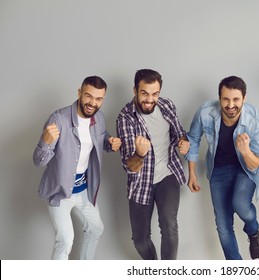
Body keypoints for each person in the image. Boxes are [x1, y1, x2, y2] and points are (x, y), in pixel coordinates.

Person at [33, 76, 122, 260]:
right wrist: (45, 142)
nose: (92, 103)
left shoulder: (99, 117)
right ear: (79, 93)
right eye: (88, 96)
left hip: (83, 190)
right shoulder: (58, 119)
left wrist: (109, 143)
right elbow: (38, 161)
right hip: (60, 191)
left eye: (98, 99)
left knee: (96, 228)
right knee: (65, 240)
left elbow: (100, 138)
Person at [186, 75, 259, 260]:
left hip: (245, 169)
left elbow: (258, 164)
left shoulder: (257, 120)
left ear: (244, 98)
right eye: (226, 99)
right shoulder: (206, 111)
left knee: (240, 204)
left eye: (236, 99)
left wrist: (246, 152)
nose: (231, 105)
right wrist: (191, 173)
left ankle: (252, 230)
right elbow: (193, 139)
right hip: (218, 170)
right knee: (223, 226)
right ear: (219, 98)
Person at [116, 69, 190, 260]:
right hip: (141, 182)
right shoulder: (126, 118)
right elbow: (129, 165)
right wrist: (140, 154)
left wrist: (183, 142)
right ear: (135, 90)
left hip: (168, 175)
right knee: (140, 240)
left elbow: (179, 132)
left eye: (154, 94)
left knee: (169, 224)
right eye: (144, 93)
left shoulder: (166, 106)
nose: (150, 99)